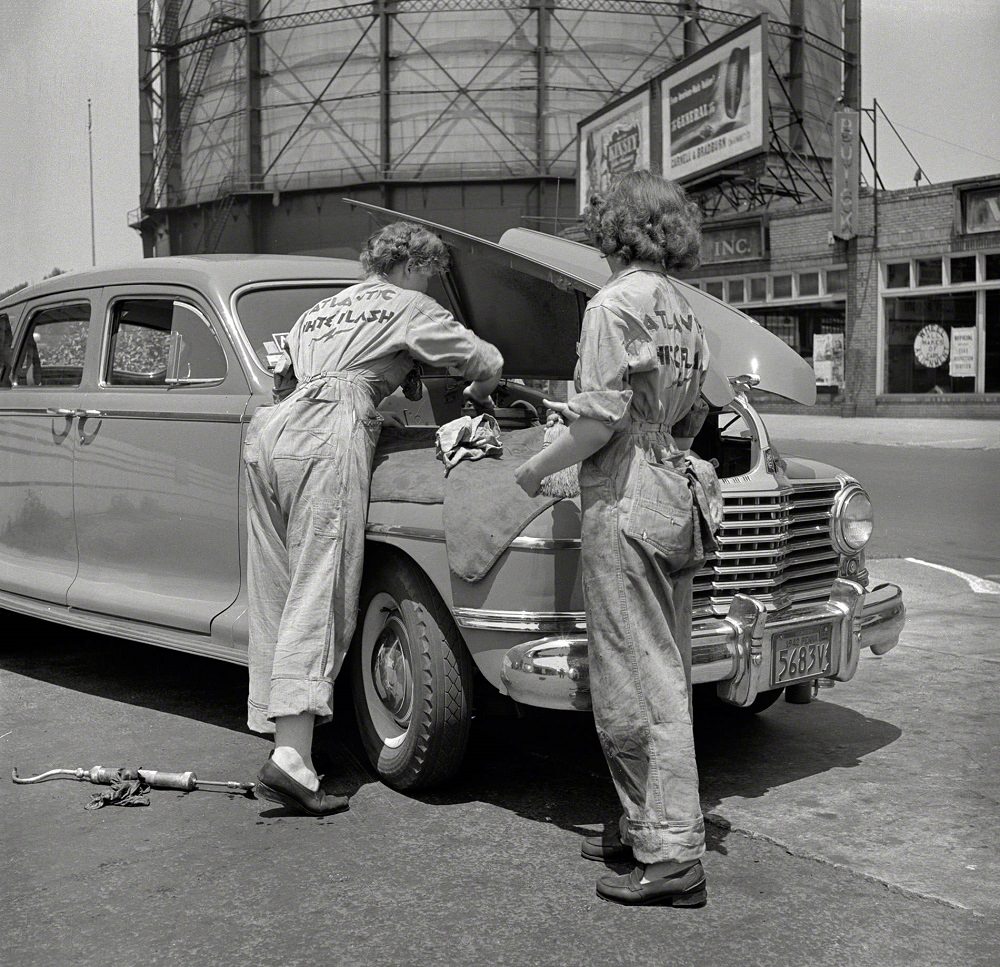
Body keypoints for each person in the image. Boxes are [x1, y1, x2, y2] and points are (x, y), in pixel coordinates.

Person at [245, 221, 503, 815]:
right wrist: (482, 392)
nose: (434, 287)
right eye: (432, 276)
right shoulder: (408, 304)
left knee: (277, 588)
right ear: (413, 266)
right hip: (326, 429)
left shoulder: (322, 311)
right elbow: (480, 360)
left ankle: (284, 732)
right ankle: (292, 760)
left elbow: (294, 381)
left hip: (271, 432)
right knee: (322, 581)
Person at [514, 170, 713, 906]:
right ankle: (645, 820)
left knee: (634, 673)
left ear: (614, 230)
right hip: (676, 486)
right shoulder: (683, 311)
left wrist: (536, 470)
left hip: (626, 492)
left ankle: (671, 852)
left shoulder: (612, 304)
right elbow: (695, 417)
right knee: (665, 662)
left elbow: (596, 424)